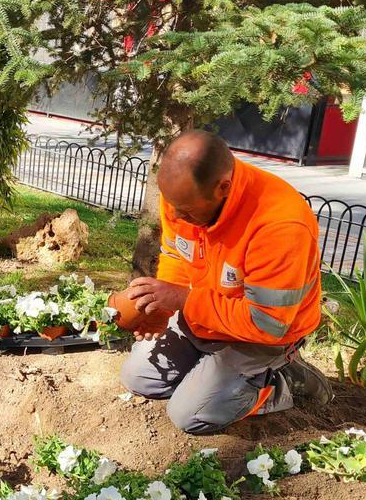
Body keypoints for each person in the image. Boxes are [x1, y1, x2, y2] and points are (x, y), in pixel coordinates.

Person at [119, 130, 332, 435]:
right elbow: (177, 254)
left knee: (191, 414)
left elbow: (267, 324)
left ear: (223, 187)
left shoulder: (280, 225)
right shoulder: (182, 196)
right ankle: (214, 376)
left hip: (263, 336)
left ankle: (282, 380)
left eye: (186, 209)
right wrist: (162, 308)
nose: (175, 214)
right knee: (139, 378)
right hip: (207, 315)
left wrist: (183, 300)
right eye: (172, 204)